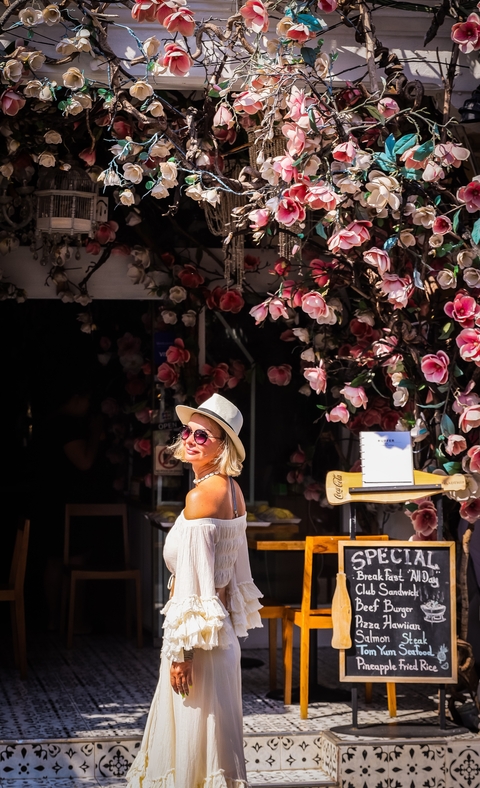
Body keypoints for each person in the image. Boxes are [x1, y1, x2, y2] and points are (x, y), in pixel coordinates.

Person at [127, 393, 263, 788]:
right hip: (214, 642)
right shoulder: (232, 491)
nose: (189, 439)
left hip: (197, 649)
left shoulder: (203, 495)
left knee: (194, 749)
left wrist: (182, 654)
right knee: (211, 749)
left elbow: (193, 582)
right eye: (187, 431)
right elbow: (227, 578)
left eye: (202, 435)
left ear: (223, 447)